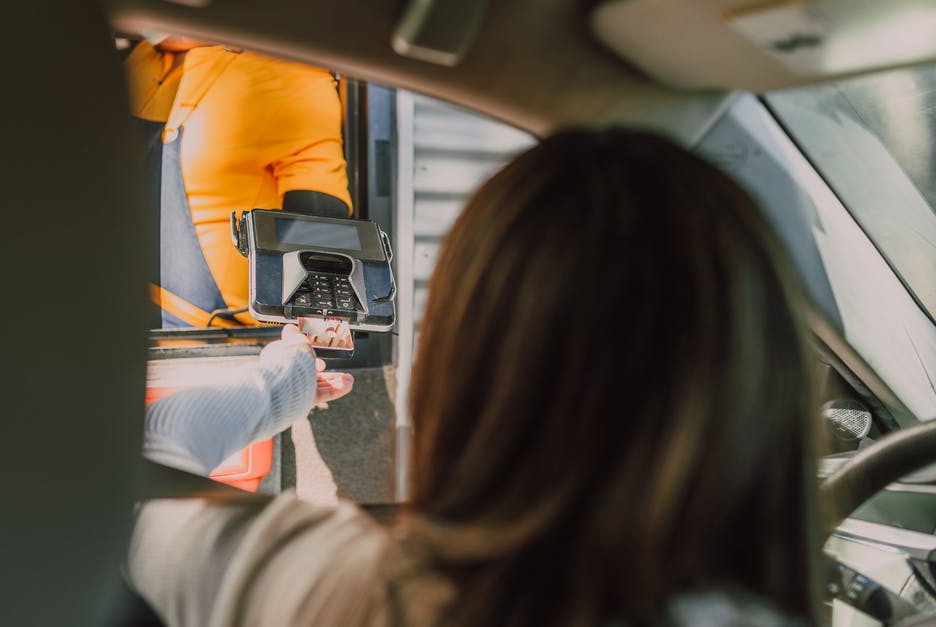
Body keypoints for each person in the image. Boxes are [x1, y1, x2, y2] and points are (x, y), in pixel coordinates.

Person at [131, 127, 822, 626]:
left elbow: (138, 466)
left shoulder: (326, 589)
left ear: (459, 377)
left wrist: (287, 380)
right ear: (766, 394)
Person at [125, 35, 353, 328]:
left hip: (218, 343)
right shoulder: (141, 58)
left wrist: (315, 338)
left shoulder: (290, 76)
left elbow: (323, 229)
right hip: (127, 319)